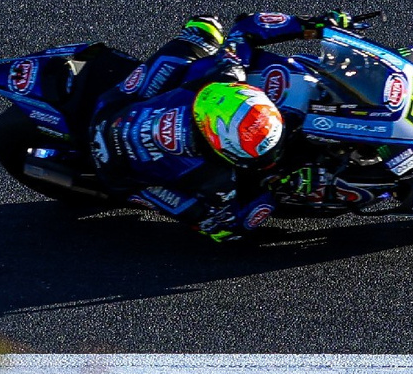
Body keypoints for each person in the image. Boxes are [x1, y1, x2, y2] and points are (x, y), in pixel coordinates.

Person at [85, 12, 314, 242]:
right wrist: (273, 194)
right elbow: (225, 230)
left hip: (121, 107)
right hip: (115, 168)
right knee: (195, 213)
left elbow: (244, 28)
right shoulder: (215, 180)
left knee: (205, 29)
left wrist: (314, 25)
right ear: (220, 149)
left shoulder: (226, 75)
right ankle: (132, 192)